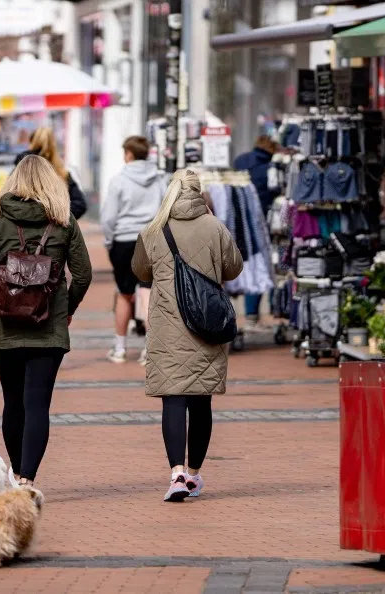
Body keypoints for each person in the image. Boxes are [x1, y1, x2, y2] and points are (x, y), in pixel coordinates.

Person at [0, 155, 93, 486]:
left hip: (7, 322)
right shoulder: (63, 219)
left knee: (12, 402)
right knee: (37, 405)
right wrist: (67, 307)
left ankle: (16, 471)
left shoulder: (0, 217)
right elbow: (84, 274)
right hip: (49, 327)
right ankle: (27, 479)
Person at [131, 169, 243, 502]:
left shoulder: (155, 229)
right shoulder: (215, 227)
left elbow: (140, 270)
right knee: (201, 400)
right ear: (199, 192)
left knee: (173, 398)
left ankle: (176, 472)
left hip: (168, 327)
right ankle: (194, 474)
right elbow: (233, 268)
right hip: (207, 325)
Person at [101, 136, 165, 364]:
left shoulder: (118, 180)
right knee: (148, 293)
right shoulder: (160, 179)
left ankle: (119, 348)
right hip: (151, 239)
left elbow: (109, 217)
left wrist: (110, 240)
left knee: (124, 294)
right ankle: (150, 349)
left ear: (128, 153)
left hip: (123, 240)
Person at [233, 135, 279, 330]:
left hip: (235, 219)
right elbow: (274, 191)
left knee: (237, 262)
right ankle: (252, 315)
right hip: (260, 221)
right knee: (258, 264)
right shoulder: (270, 168)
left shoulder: (240, 161)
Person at [14, 127, 88, 219]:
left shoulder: (22, 166)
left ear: (31, 141)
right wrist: (58, 218)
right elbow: (80, 205)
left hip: (23, 229)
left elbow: (9, 200)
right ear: (54, 144)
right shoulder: (61, 172)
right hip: (54, 229)